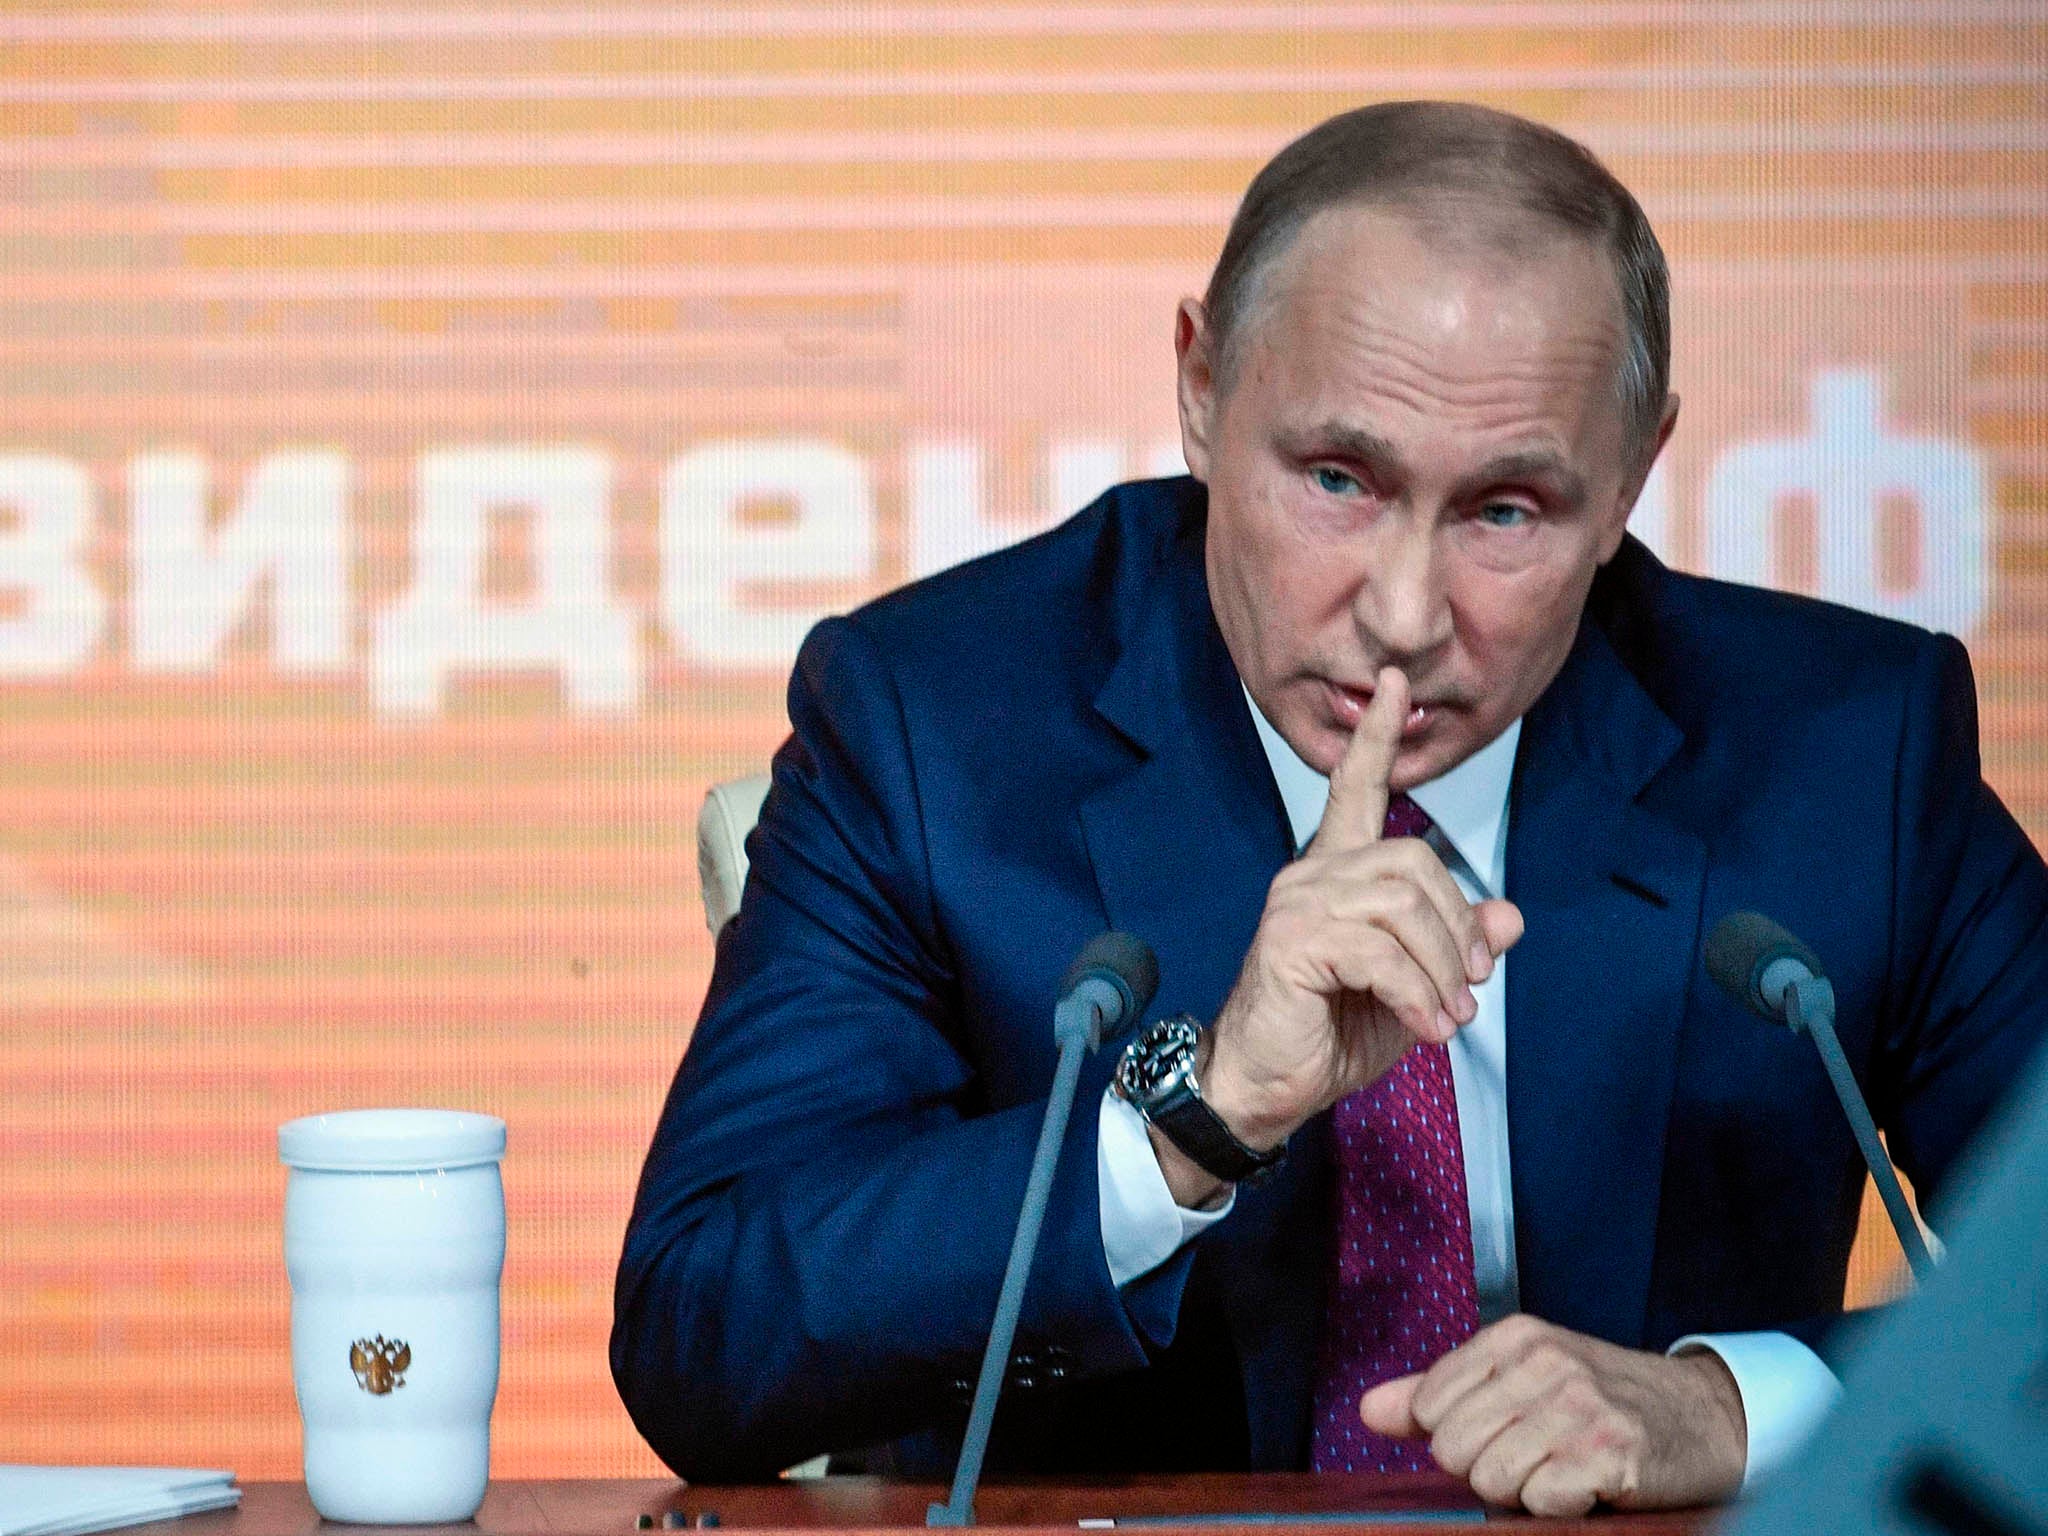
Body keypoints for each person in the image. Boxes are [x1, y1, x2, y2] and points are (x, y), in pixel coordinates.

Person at [611, 101, 2048, 1515]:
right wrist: (1193, 1119)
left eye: (1508, 512)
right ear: (1198, 387)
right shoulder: (936, 732)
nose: (1408, 616)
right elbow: (701, 1334)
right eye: (1339, 480)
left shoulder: (1849, 757)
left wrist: (1733, 1406)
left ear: (1632, 483)